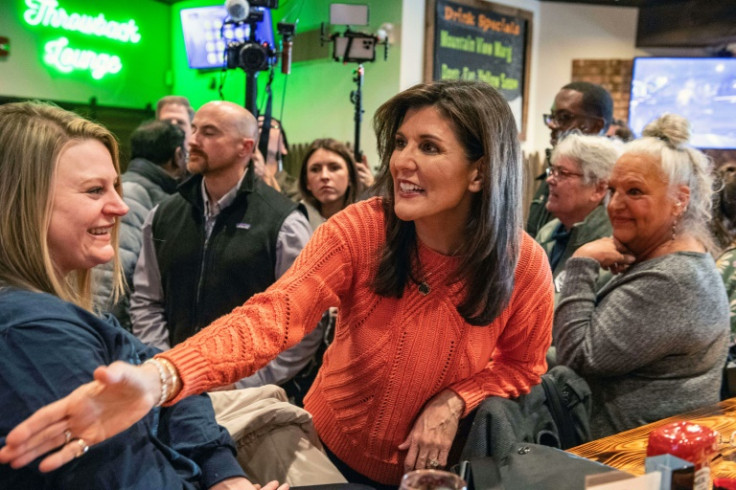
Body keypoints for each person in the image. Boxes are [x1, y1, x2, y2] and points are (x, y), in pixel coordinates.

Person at [0, 80, 555, 487]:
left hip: (440, 471)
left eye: (429, 147)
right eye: (402, 143)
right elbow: (272, 316)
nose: (403, 162)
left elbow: (523, 365)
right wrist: (162, 377)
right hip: (331, 454)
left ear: (481, 171)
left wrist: (455, 398)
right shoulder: (363, 228)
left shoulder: (522, 262)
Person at [0, 101, 282, 490]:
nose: (120, 206)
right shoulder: (33, 332)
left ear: (245, 147)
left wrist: (225, 475)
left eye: (114, 186)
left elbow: (165, 372)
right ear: (23, 202)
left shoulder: (63, 313)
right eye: (95, 190)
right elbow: (131, 475)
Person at [554, 113, 729, 439]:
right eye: (613, 190)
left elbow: (577, 357)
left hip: (633, 466)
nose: (615, 205)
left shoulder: (673, 281)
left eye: (634, 192)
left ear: (680, 199)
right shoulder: (666, 260)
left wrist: (582, 262)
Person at [130, 100, 325, 393]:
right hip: (174, 390)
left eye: (209, 133)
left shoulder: (283, 222)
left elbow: (304, 325)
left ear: (245, 148)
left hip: (247, 398)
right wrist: (171, 368)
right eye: (194, 130)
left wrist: (243, 383)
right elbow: (147, 300)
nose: (192, 141)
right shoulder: (163, 215)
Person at [93, 120, 186, 330]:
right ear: (178, 155)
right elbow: (109, 277)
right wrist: (114, 338)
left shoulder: (152, 192)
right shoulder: (132, 193)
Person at [527, 82, 614, 237]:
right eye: (552, 117)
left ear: (596, 126)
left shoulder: (614, 184)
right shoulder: (551, 174)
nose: (552, 125)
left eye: (564, 117)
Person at [535, 134, 620, 292]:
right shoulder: (548, 233)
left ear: (599, 189)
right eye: (552, 171)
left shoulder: (612, 247)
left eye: (563, 173)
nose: (550, 180)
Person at [298, 138, 362, 229]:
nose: (324, 176)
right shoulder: (296, 221)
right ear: (306, 181)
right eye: (315, 169)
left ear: (350, 177)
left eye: (334, 168)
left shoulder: (364, 219)